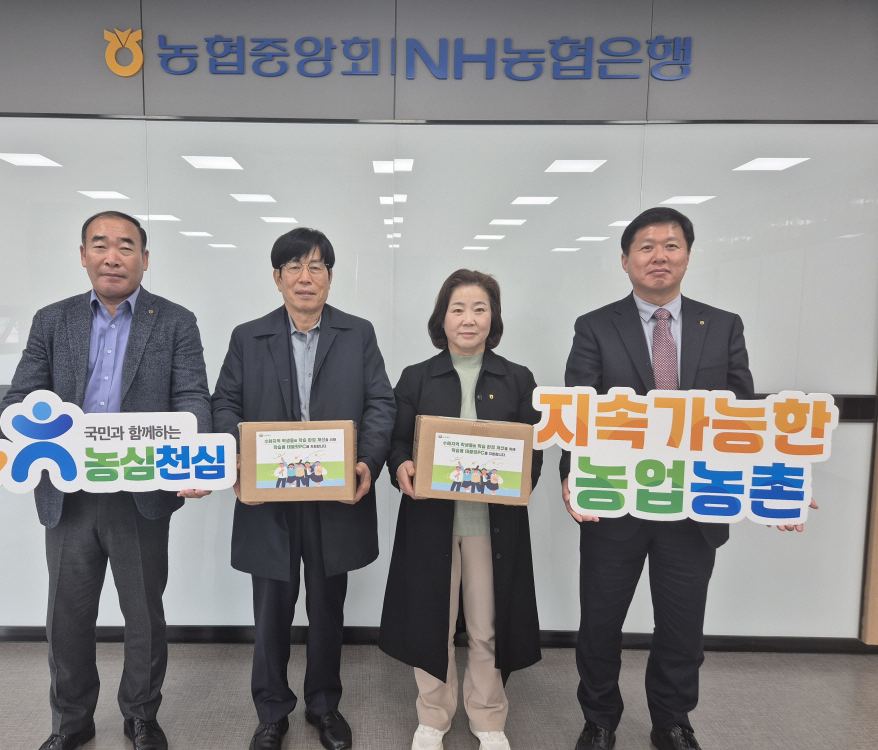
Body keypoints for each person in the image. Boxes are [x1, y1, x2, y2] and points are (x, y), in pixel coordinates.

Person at [0, 211, 212, 750]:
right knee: (67, 616)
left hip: (141, 492)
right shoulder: (53, 320)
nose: (112, 257)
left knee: (143, 616)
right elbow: (19, 401)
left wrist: (195, 460)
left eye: (126, 246)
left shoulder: (175, 321)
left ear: (145, 258)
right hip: (67, 491)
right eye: (100, 245)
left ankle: (141, 716)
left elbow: (192, 396)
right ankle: (71, 722)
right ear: (82, 255)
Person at [561, 207, 814, 750]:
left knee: (682, 626)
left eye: (671, 245)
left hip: (694, 503)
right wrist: (572, 477)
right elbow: (579, 411)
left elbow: (742, 416)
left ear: (688, 256)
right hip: (617, 501)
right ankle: (599, 719)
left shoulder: (722, 325)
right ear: (625, 260)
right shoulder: (595, 326)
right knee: (600, 621)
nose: (660, 256)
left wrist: (777, 481)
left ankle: (672, 721)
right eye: (646, 247)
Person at [211, 227, 396, 750]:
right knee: (271, 609)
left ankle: (324, 705)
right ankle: (272, 711)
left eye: (316, 266)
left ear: (330, 277)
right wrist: (239, 459)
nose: (305, 277)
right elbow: (224, 403)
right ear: (277, 278)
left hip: (334, 496)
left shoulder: (358, 334)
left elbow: (381, 403)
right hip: (269, 498)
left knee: (327, 607)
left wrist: (366, 461)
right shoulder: (248, 337)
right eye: (294, 267)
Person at [379, 269, 543, 750]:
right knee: (430, 620)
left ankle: (488, 717)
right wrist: (401, 464)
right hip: (431, 520)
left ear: (493, 318)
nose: (468, 319)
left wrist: (522, 478)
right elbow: (396, 442)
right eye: (458, 309)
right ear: (442, 318)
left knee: (487, 626)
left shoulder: (518, 378)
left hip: (493, 525)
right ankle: (433, 715)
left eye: (479, 309)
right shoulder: (416, 376)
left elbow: (533, 449)